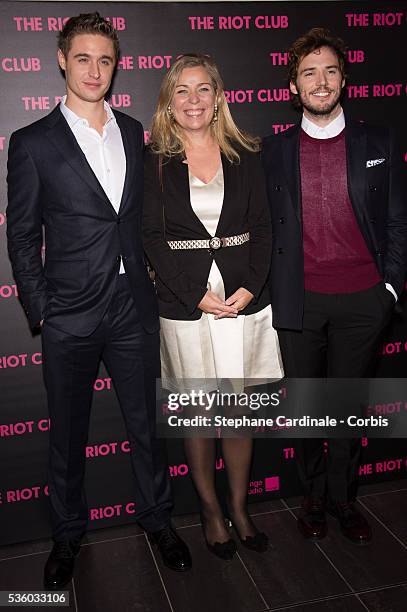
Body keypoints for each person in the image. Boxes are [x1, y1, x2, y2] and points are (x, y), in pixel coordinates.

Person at [7, 13, 191, 589]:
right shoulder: (32, 142)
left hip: (132, 306)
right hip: (69, 312)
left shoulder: (134, 131)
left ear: (117, 66)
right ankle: (67, 534)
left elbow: (141, 220)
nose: (94, 70)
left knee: (146, 425)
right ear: (61, 60)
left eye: (105, 60)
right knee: (67, 433)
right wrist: (42, 309)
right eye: (82, 58)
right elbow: (20, 234)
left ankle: (157, 519)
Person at [262, 28, 407, 543]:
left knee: (347, 408)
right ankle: (314, 495)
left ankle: (345, 500)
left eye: (329, 70)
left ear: (344, 78)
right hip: (300, 301)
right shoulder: (273, 150)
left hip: (365, 300)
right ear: (294, 86)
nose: (320, 82)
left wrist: (389, 289)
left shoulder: (379, 141)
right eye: (308, 73)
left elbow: (396, 221)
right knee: (305, 405)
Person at [143, 53, 283, 559]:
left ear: (218, 97)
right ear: (169, 102)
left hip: (245, 302)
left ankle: (240, 507)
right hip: (184, 305)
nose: (193, 99)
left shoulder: (247, 153)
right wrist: (194, 295)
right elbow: (151, 239)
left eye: (203, 89)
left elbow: (266, 229)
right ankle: (208, 509)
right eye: (182, 90)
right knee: (200, 417)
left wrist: (248, 288)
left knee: (239, 414)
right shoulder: (153, 161)